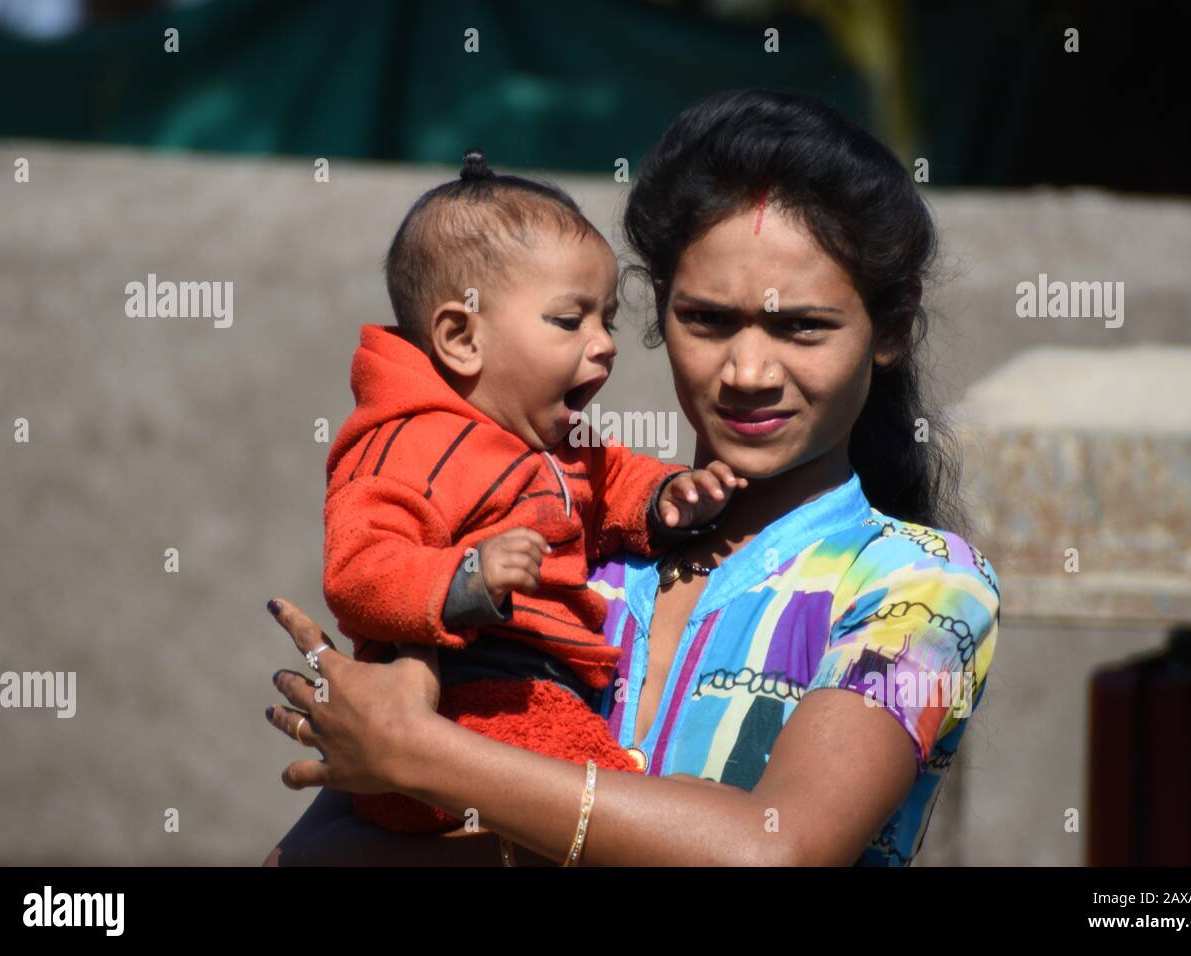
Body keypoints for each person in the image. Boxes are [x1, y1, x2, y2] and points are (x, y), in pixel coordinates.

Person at [263, 88, 1002, 866]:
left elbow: (775, 853)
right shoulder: (561, 544)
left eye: (801, 327)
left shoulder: (922, 588)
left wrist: (417, 753)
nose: (748, 371)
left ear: (887, 331)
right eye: (709, 320)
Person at [322, 149, 742, 833]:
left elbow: (611, 479)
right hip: (468, 695)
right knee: (618, 810)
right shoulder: (410, 441)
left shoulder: (547, 442)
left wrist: (668, 498)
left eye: (606, 320)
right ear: (461, 337)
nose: (604, 344)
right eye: (570, 321)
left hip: (533, 697)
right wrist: (465, 576)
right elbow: (356, 568)